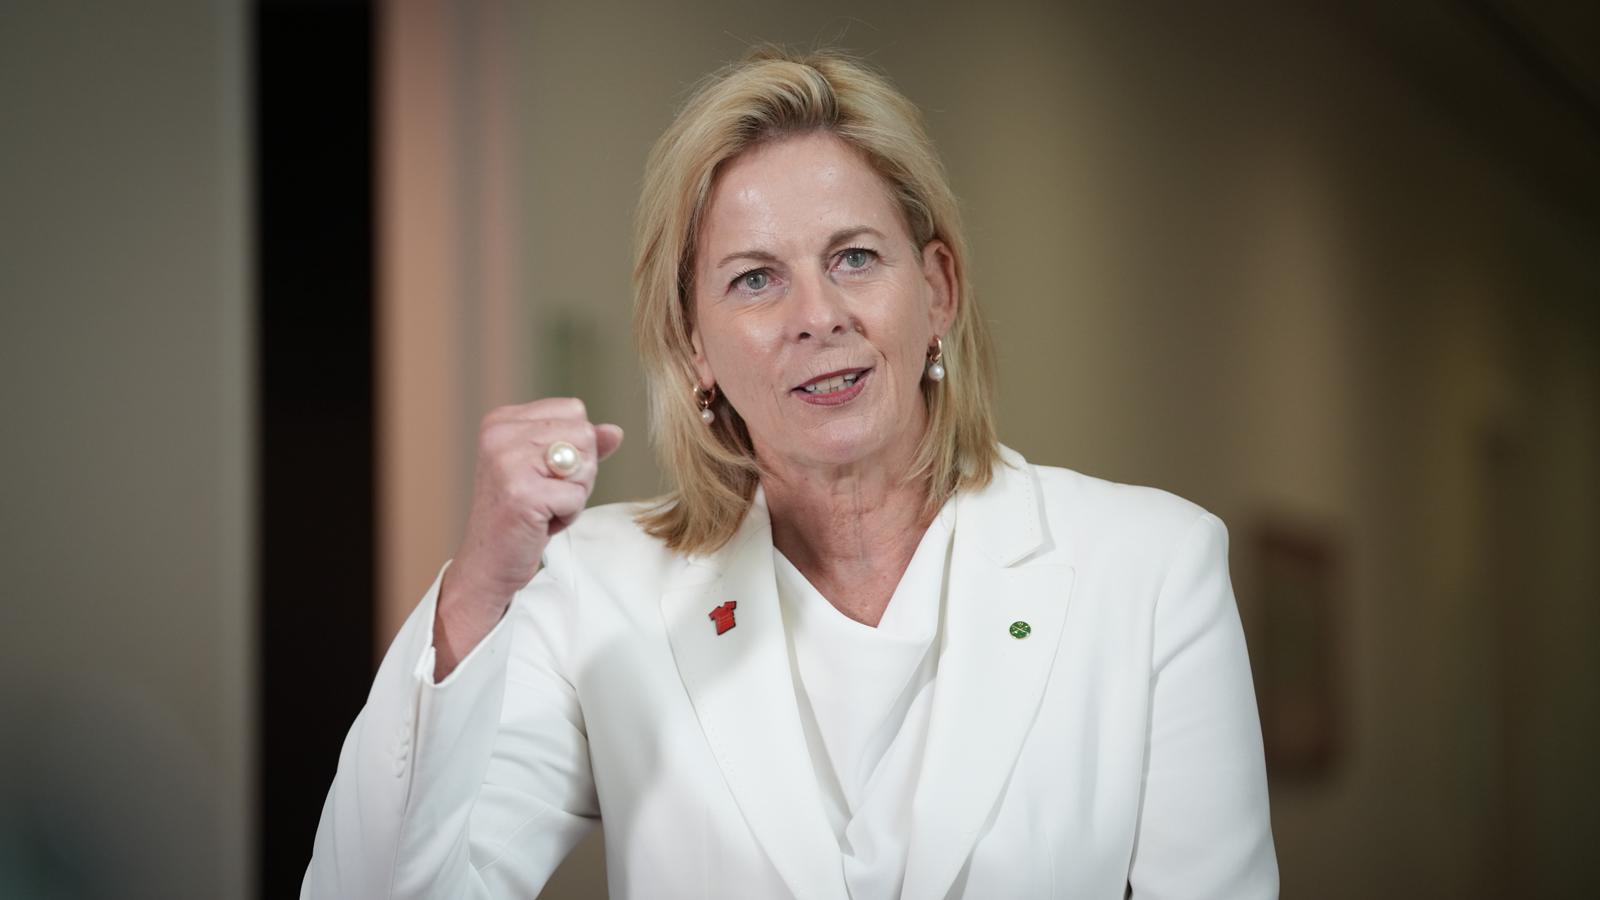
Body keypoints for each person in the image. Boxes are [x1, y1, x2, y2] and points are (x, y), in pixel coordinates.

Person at [302, 46, 1278, 899]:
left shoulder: (1150, 568)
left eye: (854, 258)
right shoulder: (596, 590)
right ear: (694, 345)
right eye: (755, 279)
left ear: (936, 291)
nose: (817, 316)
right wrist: (479, 586)